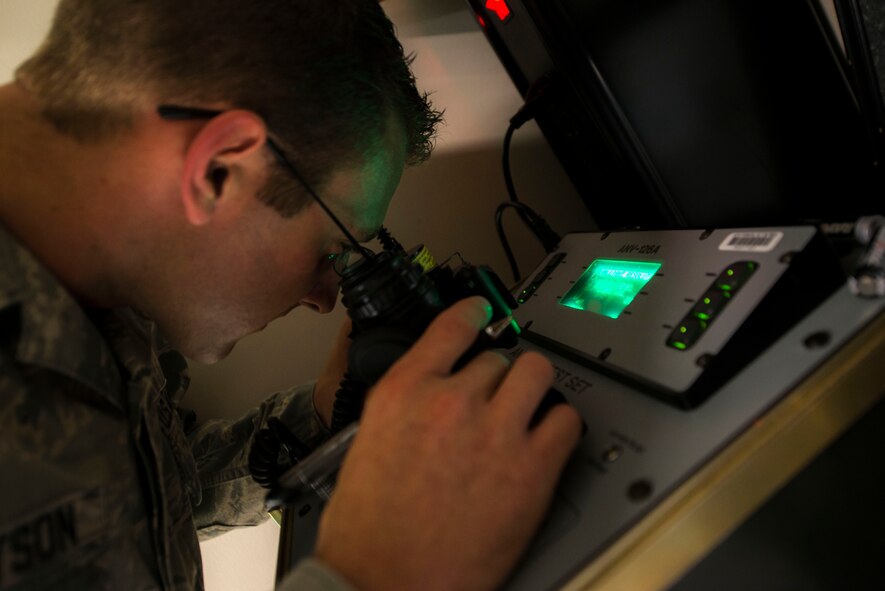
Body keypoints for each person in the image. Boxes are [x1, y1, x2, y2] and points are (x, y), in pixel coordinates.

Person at [0, 0, 583, 589]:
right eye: (331, 248)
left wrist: (322, 419)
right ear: (219, 171)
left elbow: (132, 500)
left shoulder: (108, 270)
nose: (326, 298)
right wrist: (367, 574)